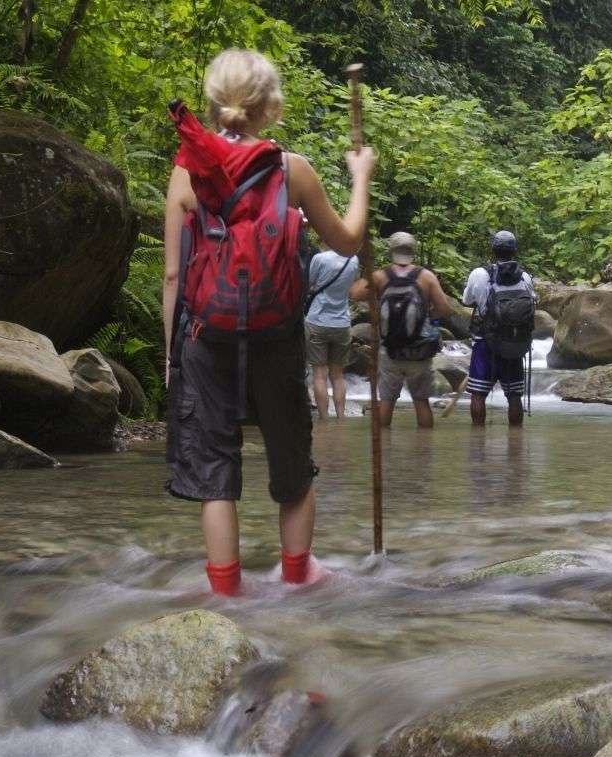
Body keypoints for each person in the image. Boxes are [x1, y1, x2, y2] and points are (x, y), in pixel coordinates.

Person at [163, 49, 375, 597]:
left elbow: (172, 276)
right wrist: (361, 176)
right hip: (278, 335)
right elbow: (347, 240)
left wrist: (171, 360)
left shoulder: (187, 172)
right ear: (272, 108)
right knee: (291, 461)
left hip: (205, 336)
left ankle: (227, 594)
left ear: (212, 105)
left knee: (215, 471)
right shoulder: (290, 170)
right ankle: (298, 577)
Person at [356, 232, 459, 429]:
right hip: (419, 350)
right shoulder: (426, 277)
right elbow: (445, 309)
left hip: (390, 351)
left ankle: (384, 449)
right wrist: (425, 317)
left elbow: (355, 293)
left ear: (391, 251)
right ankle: (423, 452)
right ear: (413, 251)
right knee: (421, 402)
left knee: (386, 401)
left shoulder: (381, 276)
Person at [462, 230, 537, 428]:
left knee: (478, 394)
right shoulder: (525, 277)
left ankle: (477, 441)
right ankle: (516, 444)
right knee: (514, 395)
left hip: (485, 342)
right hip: (514, 343)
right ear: (514, 251)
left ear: (493, 250)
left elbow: (466, 300)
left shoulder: (480, 274)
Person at [304, 243, 360, 418]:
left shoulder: (319, 259)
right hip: (342, 323)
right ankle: (341, 417)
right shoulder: (353, 259)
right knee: (338, 374)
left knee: (319, 374)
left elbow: (310, 283)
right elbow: (352, 284)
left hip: (317, 321)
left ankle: (323, 418)